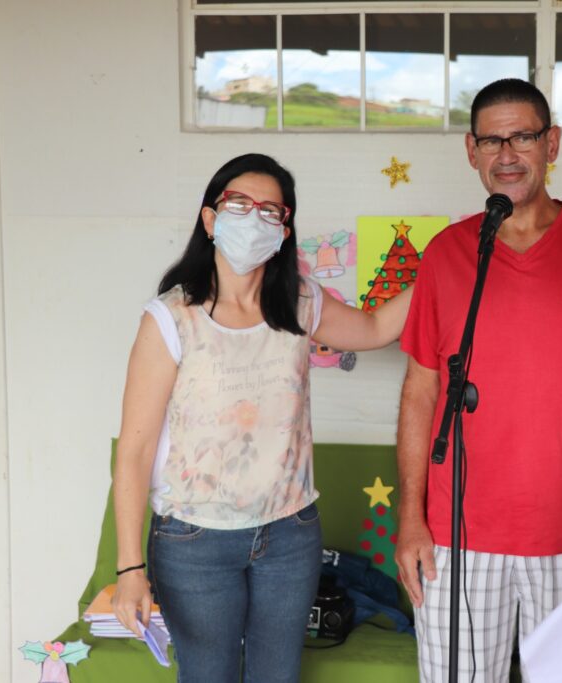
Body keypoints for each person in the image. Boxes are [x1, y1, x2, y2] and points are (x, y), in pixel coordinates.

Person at [394, 78, 562, 682]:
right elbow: (420, 393)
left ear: (552, 144)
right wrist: (411, 517)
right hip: (457, 539)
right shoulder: (446, 253)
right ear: (471, 151)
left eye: (523, 137)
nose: (507, 155)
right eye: (492, 141)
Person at [110, 153, 411, 682]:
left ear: (284, 230)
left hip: (290, 534)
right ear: (210, 218)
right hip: (194, 541)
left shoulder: (300, 302)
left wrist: (452, 263)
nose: (254, 218)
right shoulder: (170, 319)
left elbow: (376, 328)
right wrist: (131, 568)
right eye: (239, 204)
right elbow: (134, 452)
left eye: (271, 210)